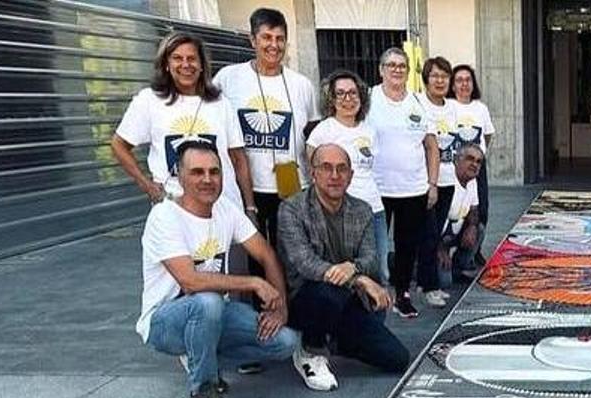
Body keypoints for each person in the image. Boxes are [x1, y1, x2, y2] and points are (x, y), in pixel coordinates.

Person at [136, 141, 297, 398]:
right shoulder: (164, 216)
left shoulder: (226, 209)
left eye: (214, 171)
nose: (207, 179)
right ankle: (202, 392)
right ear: (179, 176)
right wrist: (253, 283)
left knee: (284, 342)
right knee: (208, 300)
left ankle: (200, 356)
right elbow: (190, 281)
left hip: (214, 315)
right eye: (197, 172)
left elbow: (266, 254)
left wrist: (279, 307)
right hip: (164, 322)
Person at [277, 144, 410, 391]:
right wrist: (359, 279)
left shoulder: (362, 210)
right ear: (312, 172)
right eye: (326, 168)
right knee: (329, 292)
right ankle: (309, 350)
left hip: (346, 303)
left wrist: (353, 268)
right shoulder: (292, 209)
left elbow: (370, 257)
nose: (334, 175)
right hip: (305, 299)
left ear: (350, 175)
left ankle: (336, 339)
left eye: (341, 169)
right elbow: (305, 263)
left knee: (396, 358)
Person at [212, 7, 317, 250]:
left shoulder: (301, 84)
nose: (274, 45)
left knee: (291, 251)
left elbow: (312, 132)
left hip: (291, 183)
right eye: (266, 37)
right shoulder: (227, 78)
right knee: (254, 253)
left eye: (280, 39)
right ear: (252, 40)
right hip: (248, 185)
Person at [111, 32, 252, 211]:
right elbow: (119, 145)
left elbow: (239, 159)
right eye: (177, 58)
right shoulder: (148, 101)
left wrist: (250, 208)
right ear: (167, 65)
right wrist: (147, 186)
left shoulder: (220, 103)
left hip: (225, 208)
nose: (186, 64)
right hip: (174, 209)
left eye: (192, 58)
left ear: (202, 65)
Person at [368, 47, 441, 319]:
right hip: (376, 188)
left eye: (402, 66)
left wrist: (432, 184)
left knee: (407, 246)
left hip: (413, 188)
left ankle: (402, 295)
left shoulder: (418, 102)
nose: (397, 70)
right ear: (381, 69)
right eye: (391, 65)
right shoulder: (368, 98)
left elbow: (432, 147)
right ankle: (372, 294)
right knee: (374, 247)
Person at [305, 69, 388, 283]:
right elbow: (314, 174)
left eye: (353, 93)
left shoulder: (369, 130)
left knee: (379, 272)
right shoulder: (322, 132)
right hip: (340, 213)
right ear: (331, 99)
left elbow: (373, 170)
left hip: (373, 210)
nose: (347, 99)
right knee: (346, 278)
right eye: (340, 94)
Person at [416, 56, 461, 308]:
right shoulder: (418, 104)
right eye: (435, 75)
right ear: (426, 78)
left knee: (433, 234)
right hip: (424, 182)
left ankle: (425, 280)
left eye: (445, 76)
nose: (440, 80)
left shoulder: (452, 108)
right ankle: (429, 285)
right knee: (430, 234)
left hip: (448, 180)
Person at [449, 64, 495, 240]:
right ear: (453, 86)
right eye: (459, 80)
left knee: (481, 208)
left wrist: (478, 155)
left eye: (468, 80)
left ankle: (476, 249)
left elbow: (488, 134)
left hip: (477, 167)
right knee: (457, 209)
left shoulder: (480, 108)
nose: (464, 84)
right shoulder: (449, 107)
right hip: (456, 169)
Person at [438, 143, 485, 287]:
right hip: (433, 240)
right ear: (457, 160)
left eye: (478, 161)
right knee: (444, 282)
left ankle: (458, 268)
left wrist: (471, 226)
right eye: (469, 159)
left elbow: (474, 209)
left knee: (479, 229)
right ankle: (403, 263)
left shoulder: (472, 182)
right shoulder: (445, 180)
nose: (474, 164)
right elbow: (427, 221)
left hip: (452, 235)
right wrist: (439, 249)